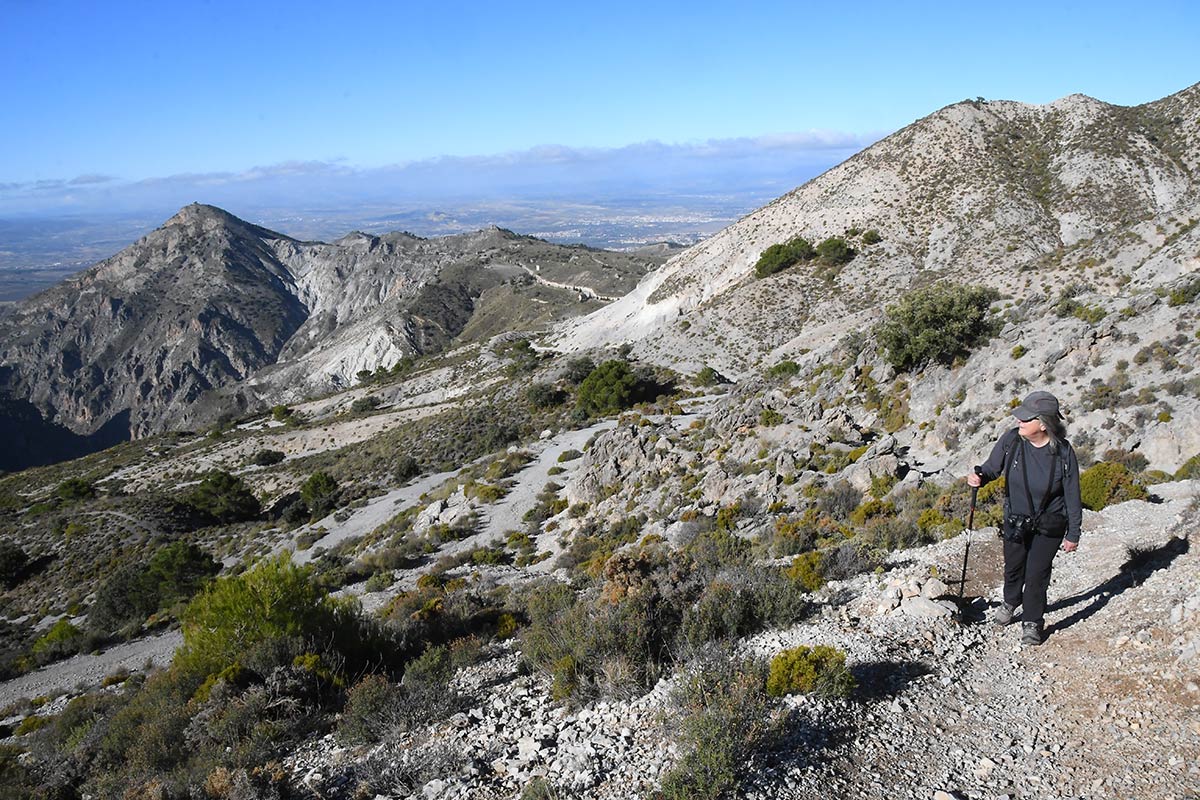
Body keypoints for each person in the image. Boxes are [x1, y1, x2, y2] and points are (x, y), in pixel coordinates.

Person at [967, 390, 1082, 646]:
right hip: (1016, 519)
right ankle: (1010, 601)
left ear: (1043, 424)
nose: (1019, 422)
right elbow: (991, 469)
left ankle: (1032, 621)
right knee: (1013, 567)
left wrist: (1073, 533)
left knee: (1037, 573)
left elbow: (1073, 493)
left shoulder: (1062, 452)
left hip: (1050, 523)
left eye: (1025, 419)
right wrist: (980, 478)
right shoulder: (1012, 441)